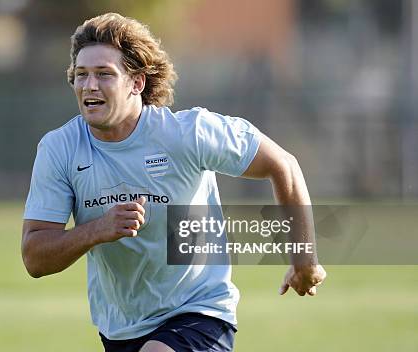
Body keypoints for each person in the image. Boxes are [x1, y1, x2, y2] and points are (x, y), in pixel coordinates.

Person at [22, 13, 326, 352]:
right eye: (81, 75)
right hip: (120, 327)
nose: (89, 85)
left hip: (199, 311)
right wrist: (97, 230)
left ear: (136, 83)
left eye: (104, 74)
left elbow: (283, 164)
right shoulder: (60, 148)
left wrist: (304, 261)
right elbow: (35, 258)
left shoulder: (187, 133)